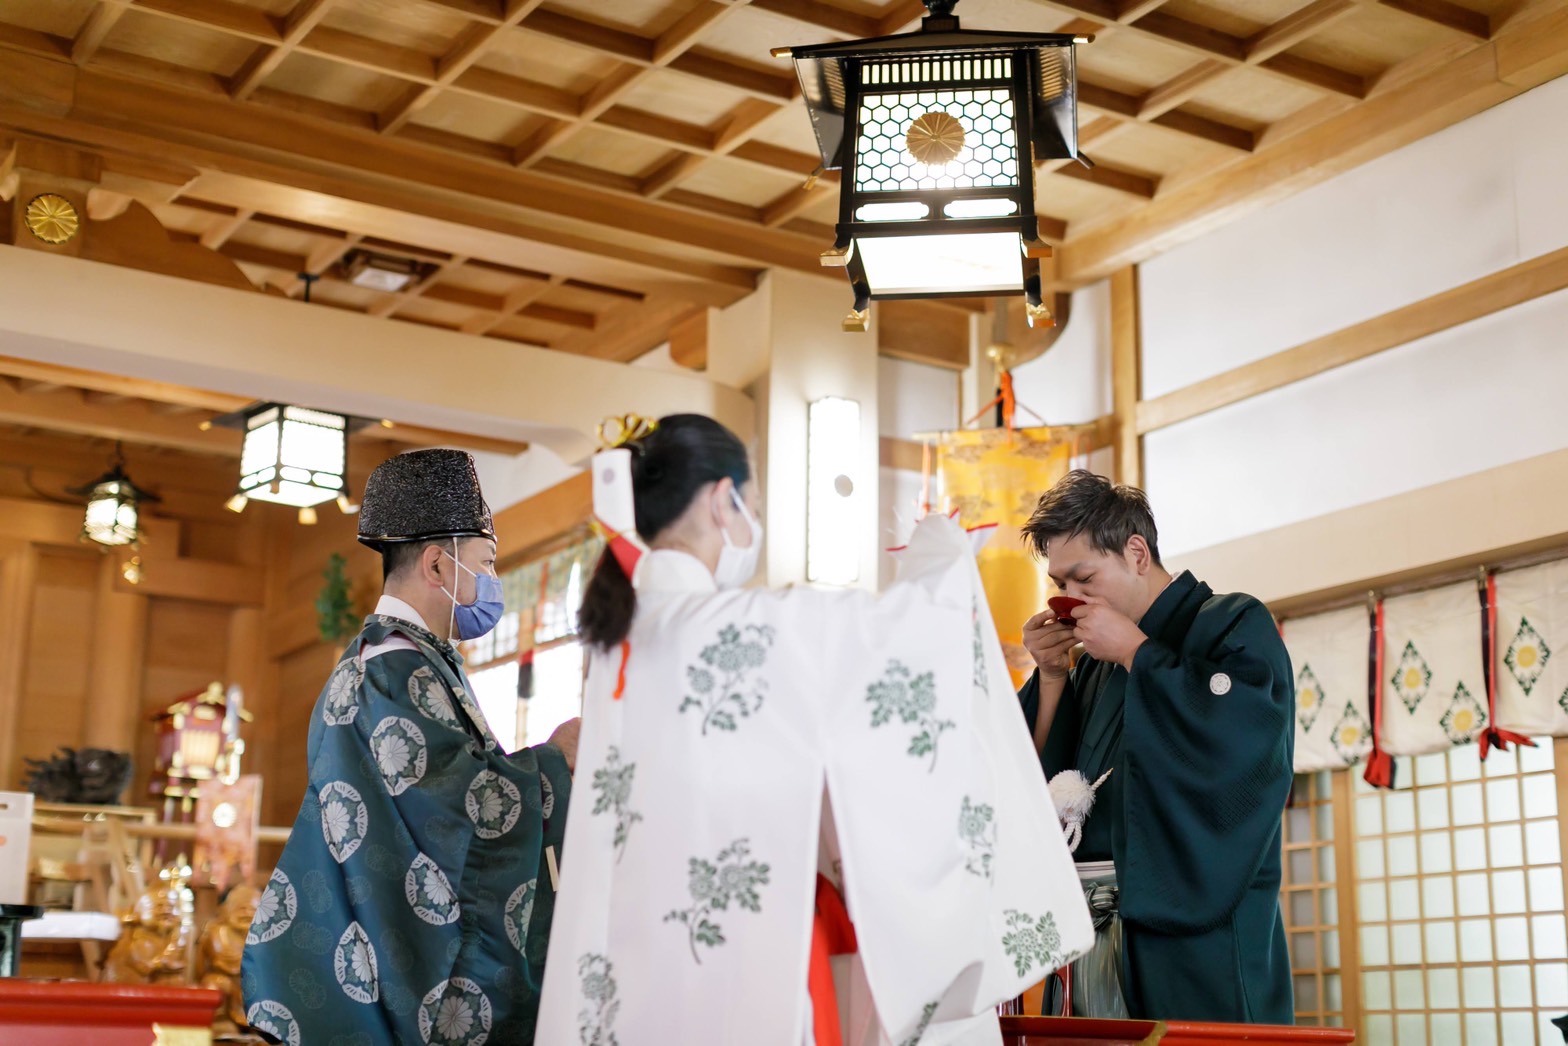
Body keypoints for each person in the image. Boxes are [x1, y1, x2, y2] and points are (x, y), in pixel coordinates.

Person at [535, 414, 1093, 1046]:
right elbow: (899, 643)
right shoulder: (736, 625)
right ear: (722, 499)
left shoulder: (619, 637)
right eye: (752, 506)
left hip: (634, 939)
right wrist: (942, 556)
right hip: (739, 943)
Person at [242, 448, 580, 1045]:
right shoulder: (394, 668)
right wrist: (557, 760)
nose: (492, 581)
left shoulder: (393, 659)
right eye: (486, 562)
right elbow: (464, 812)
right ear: (438, 564)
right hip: (400, 962)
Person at [1016, 469, 1294, 1024]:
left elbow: (1242, 754)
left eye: (1084, 578)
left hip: (1191, 929)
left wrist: (1137, 654)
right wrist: (1051, 674)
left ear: (1137, 553)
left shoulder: (1233, 624)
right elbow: (1040, 781)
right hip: (1086, 926)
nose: (1069, 600)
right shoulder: (1092, 663)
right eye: (1060, 584)